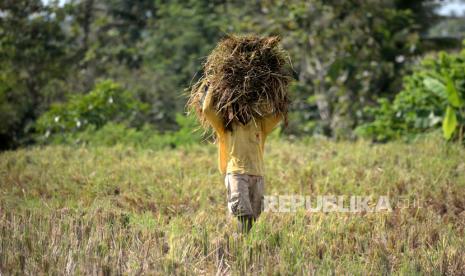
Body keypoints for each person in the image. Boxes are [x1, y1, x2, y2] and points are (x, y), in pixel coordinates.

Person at [200, 82, 282, 233]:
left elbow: (278, 114)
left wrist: (276, 90)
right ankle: (242, 244)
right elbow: (207, 110)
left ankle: (243, 244)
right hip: (236, 174)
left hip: (257, 175)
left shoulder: (260, 124)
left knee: (253, 217)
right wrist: (210, 88)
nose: (240, 109)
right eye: (236, 106)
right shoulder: (226, 126)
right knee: (243, 214)